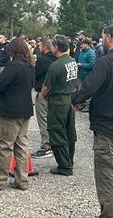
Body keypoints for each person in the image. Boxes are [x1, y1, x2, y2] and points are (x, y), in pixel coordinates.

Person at [72, 21, 113, 217]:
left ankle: (108, 214)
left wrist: (75, 99)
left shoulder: (106, 62)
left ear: (109, 37)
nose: (102, 39)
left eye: (103, 36)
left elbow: (89, 86)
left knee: (107, 177)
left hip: (108, 128)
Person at [0, 37, 35, 190]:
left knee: (5, 146)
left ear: (13, 50)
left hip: (10, 111)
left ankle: (0, 180)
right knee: (22, 145)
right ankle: (22, 179)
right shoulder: (30, 66)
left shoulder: (13, 66)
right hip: (25, 109)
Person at [42, 34, 78, 176]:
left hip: (58, 101)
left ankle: (64, 165)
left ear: (56, 46)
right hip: (68, 98)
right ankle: (69, 160)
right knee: (69, 131)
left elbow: (46, 88)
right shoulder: (72, 61)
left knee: (57, 131)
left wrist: (44, 96)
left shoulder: (56, 65)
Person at [32, 37, 57, 158]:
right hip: (54, 93)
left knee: (43, 119)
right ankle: (52, 143)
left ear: (45, 47)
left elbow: (35, 74)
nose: (39, 48)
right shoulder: (56, 59)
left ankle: (46, 146)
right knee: (50, 119)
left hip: (43, 91)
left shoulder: (43, 60)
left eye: (40, 46)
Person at [75, 39, 97, 112]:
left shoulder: (91, 53)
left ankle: (87, 106)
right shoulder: (82, 51)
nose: (81, 46)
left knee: (87, 91)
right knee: (80, 90)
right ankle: (82, 104)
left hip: (87, 76)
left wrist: (81, 64)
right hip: (80, 75)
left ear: (87, 44)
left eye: (82, 44)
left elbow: (92, 65)